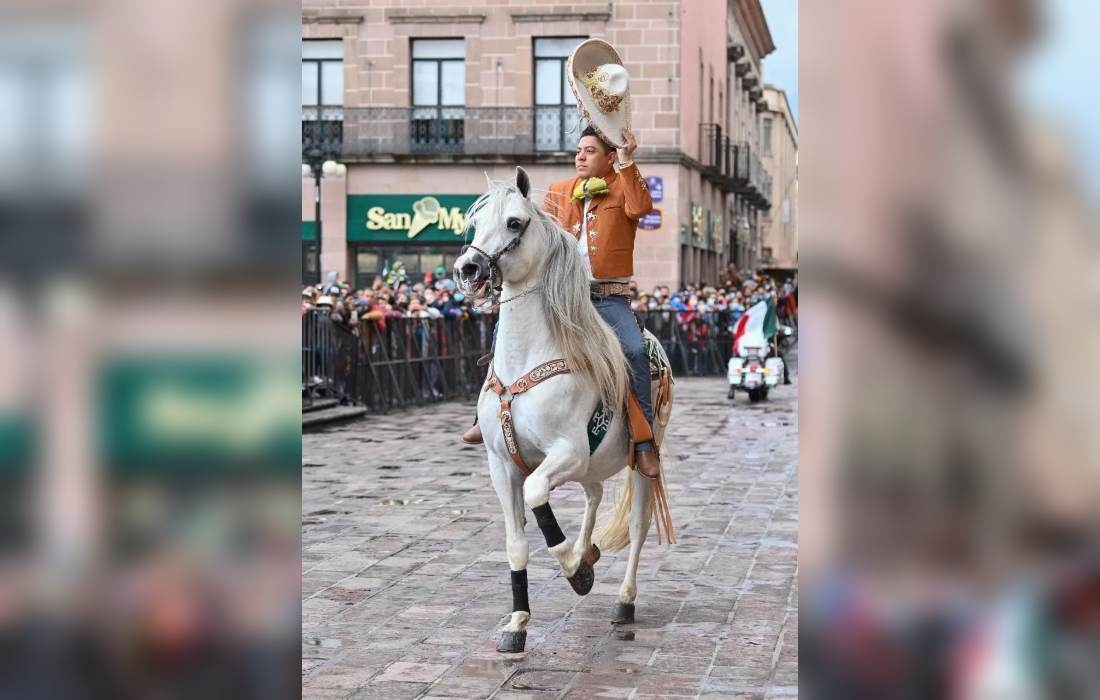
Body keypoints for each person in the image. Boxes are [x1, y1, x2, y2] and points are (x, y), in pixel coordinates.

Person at [461, 124, 662, 480]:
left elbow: (642, 207)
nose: (580, 156)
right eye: (579, 150)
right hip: (559, 294)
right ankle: (485, 417)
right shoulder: (558, 191)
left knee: (633, 350)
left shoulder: (622, 186)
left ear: (609, 157)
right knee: (505, 332)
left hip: (607, 298)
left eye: (590, 151)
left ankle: (643, 441)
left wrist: (629, 163)